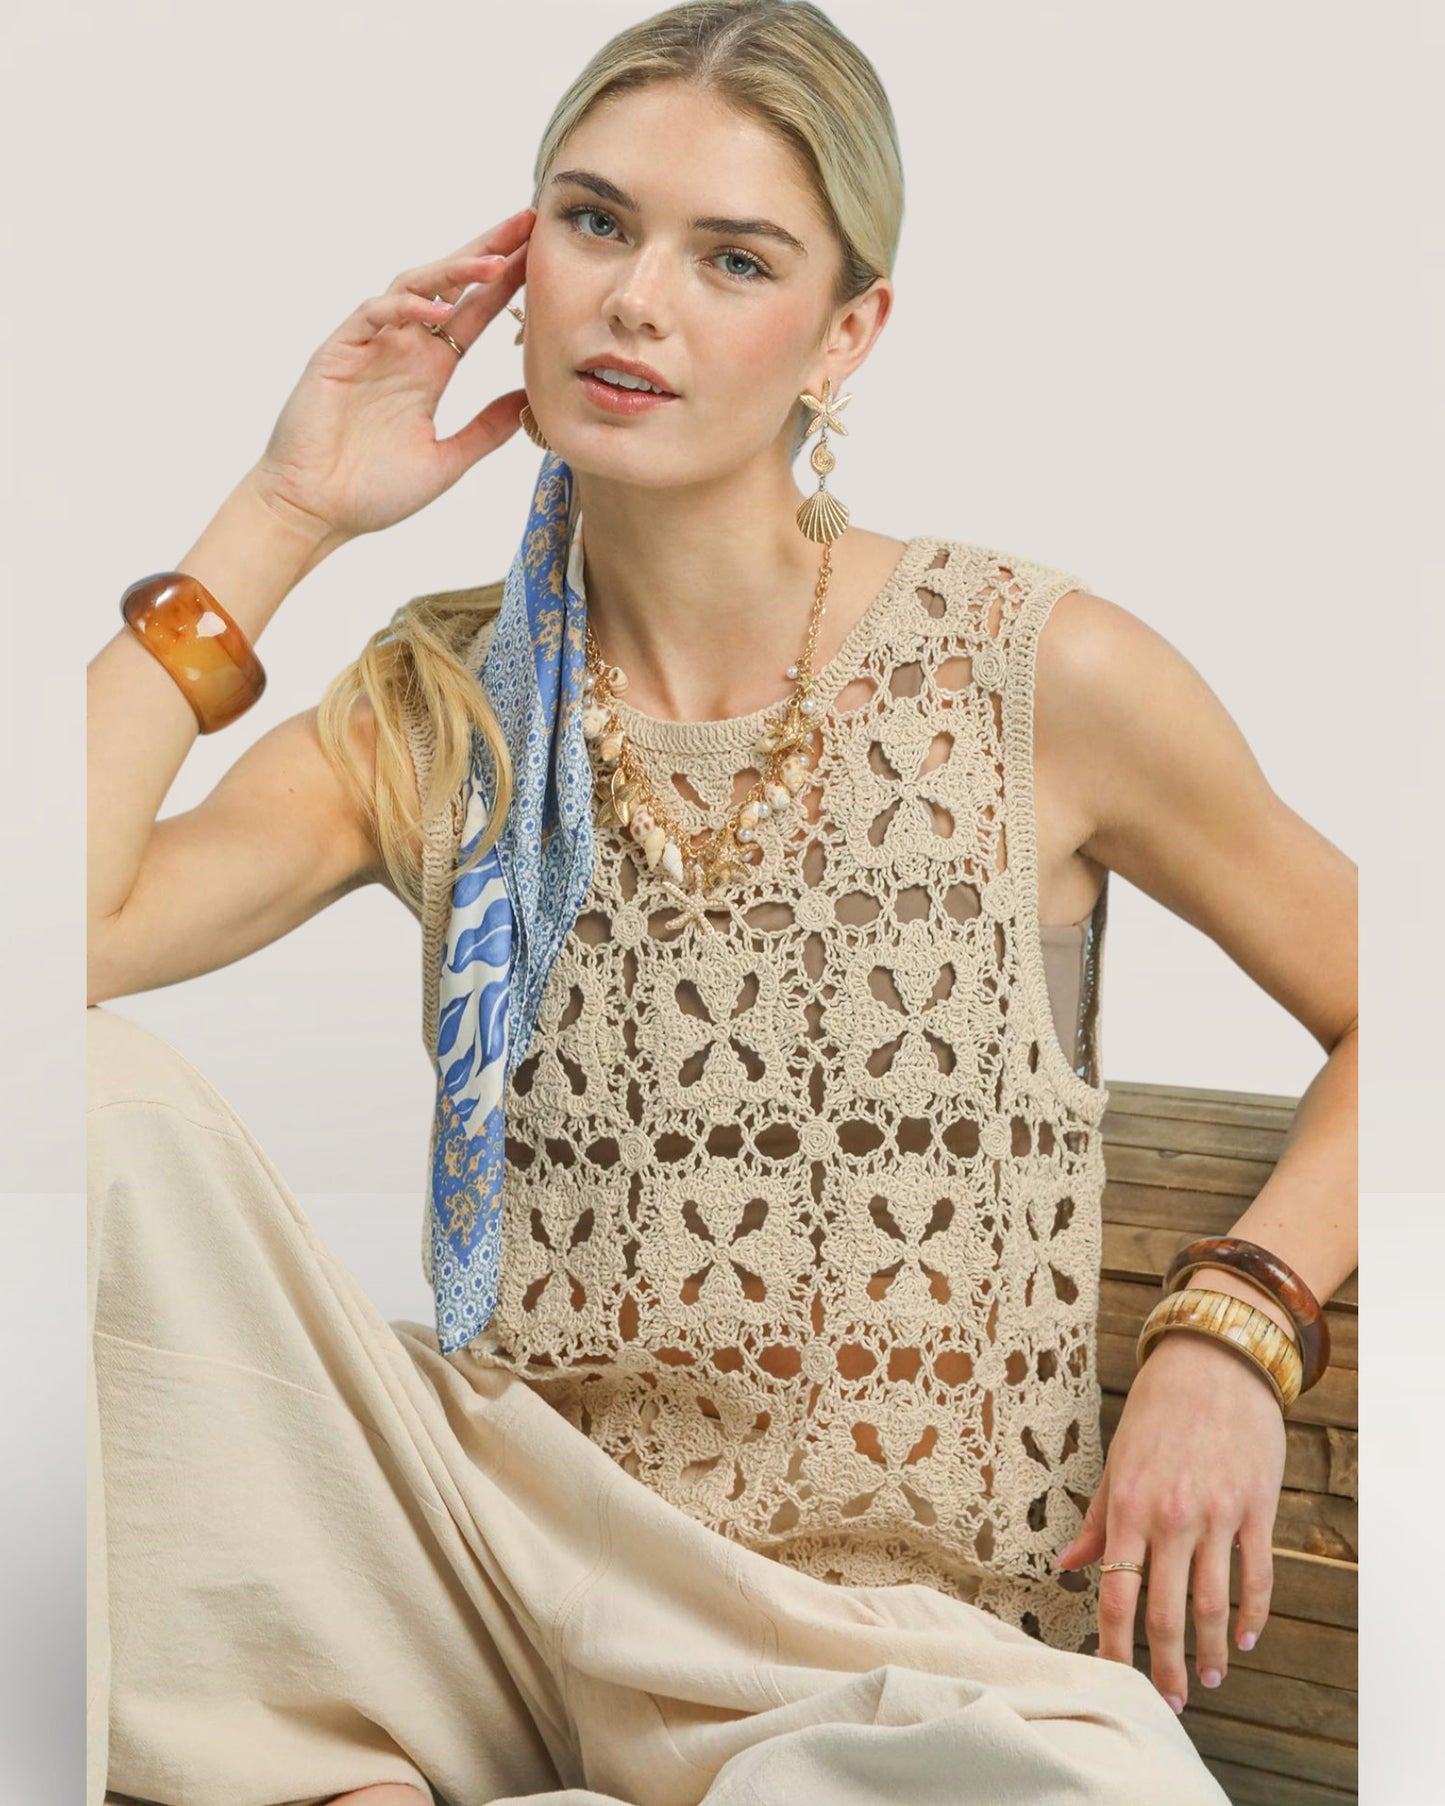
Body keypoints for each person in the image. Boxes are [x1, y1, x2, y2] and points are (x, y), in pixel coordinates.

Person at [86, 4, 1356, 1804]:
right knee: (83, 1104)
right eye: (593, 222)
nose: (634, 300)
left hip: (891, 1666)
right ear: (519, 260)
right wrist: (284, 512)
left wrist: (1236, 1317)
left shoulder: (1029, 671)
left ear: (846, 336)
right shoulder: (437, 706)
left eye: (731, 256)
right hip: (507, 1580)